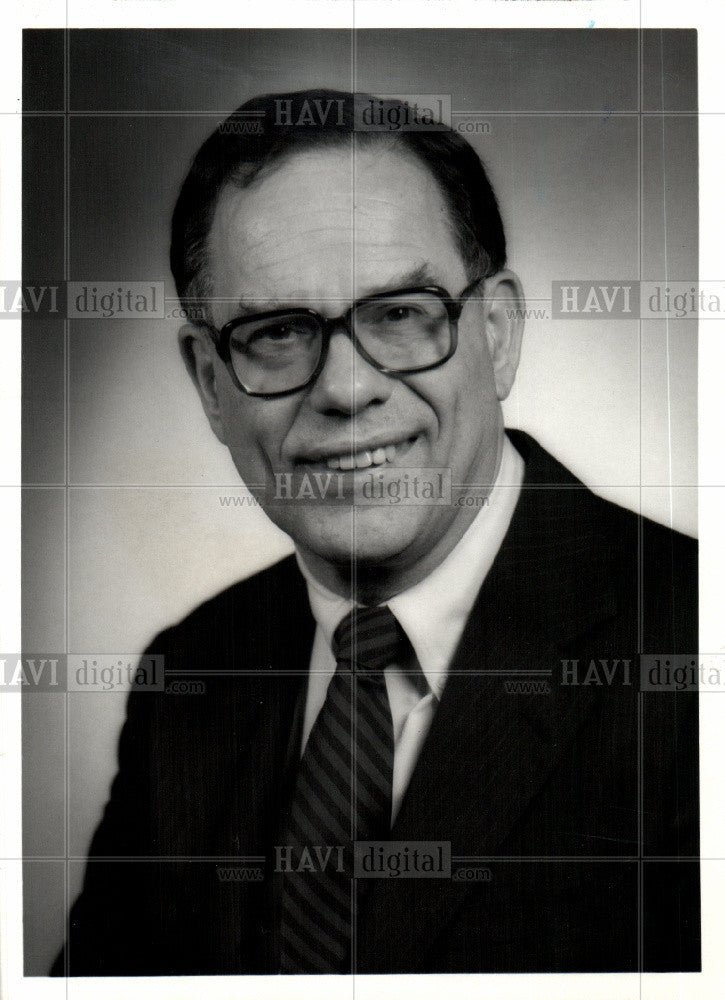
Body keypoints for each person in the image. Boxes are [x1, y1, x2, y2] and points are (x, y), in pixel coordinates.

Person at [52, 89, 699, 976]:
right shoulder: (190, 677)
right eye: (277, 332)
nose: (347, 389)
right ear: (209, 381)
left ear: (498, 332)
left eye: (398, 313)